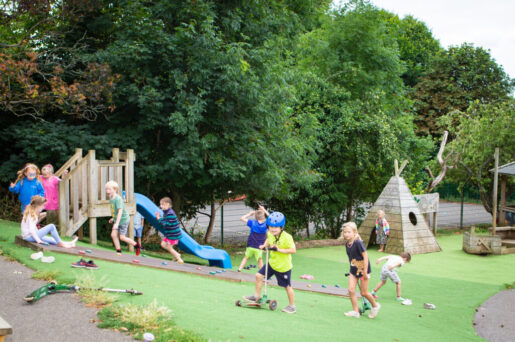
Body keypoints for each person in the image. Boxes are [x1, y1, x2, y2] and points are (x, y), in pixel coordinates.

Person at [243, 212, 297, 314]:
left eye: (275, 227)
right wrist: (264, 246)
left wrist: (279, 250)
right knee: (258, 275)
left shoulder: (287, 237)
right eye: (271, 226)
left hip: (283, 267)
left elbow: (293, 250)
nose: (273, 229)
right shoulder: (269, 234)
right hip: (272, 263)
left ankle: (292, 306)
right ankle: (256, 297)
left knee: (287, 286)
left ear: (281, 227)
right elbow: (268, 240)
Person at [340, 221, 381, 318]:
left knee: (364, 292)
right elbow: (351, 258)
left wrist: (365, 271)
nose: (346, 234)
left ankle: (375, 306)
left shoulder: (358, 242)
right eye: (345, 232)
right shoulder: (347, 244)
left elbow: (365, 256)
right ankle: (355, 311)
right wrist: (352, 270)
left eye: (349, 232)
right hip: (353, 270)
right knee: (351, 290)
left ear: (354, 232)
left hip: (363, 270)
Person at [105, 180, 140, 256]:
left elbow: (120, 211)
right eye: (106, 189)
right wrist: (113, 218)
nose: (107, 191)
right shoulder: (111, 198)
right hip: (117, 219)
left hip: (123, 220)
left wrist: (116, 223)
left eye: (109, 189)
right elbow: (115, 211)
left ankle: (137, 246)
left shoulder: (118, 199)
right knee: (113, 235)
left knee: (122, 237)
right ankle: (118, 251)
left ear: (115, 190)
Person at [237, 205, 269, 272]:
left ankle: (239, 269)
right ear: (263, 218)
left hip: (250, 245)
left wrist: (249, 214)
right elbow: (271, 219)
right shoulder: (266, 225)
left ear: (255, 217)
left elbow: (242, 218)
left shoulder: (252, 222)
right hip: (259, 246)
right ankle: (262, 273)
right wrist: (264, 210)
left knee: (246, 257)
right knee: (259, 260)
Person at [155, 197, 183, 264]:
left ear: (167, 204)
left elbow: (166, 225)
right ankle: (177, 255)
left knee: (168, 247)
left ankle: (178, 258)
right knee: (163, 244)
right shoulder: (166, 212)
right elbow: (166, 222)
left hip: (173, 234)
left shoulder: (170, 213)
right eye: (160, 204)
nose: (161, 206)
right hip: (169, 234)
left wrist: (159, 219)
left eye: (162, 204)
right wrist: (160, 218)